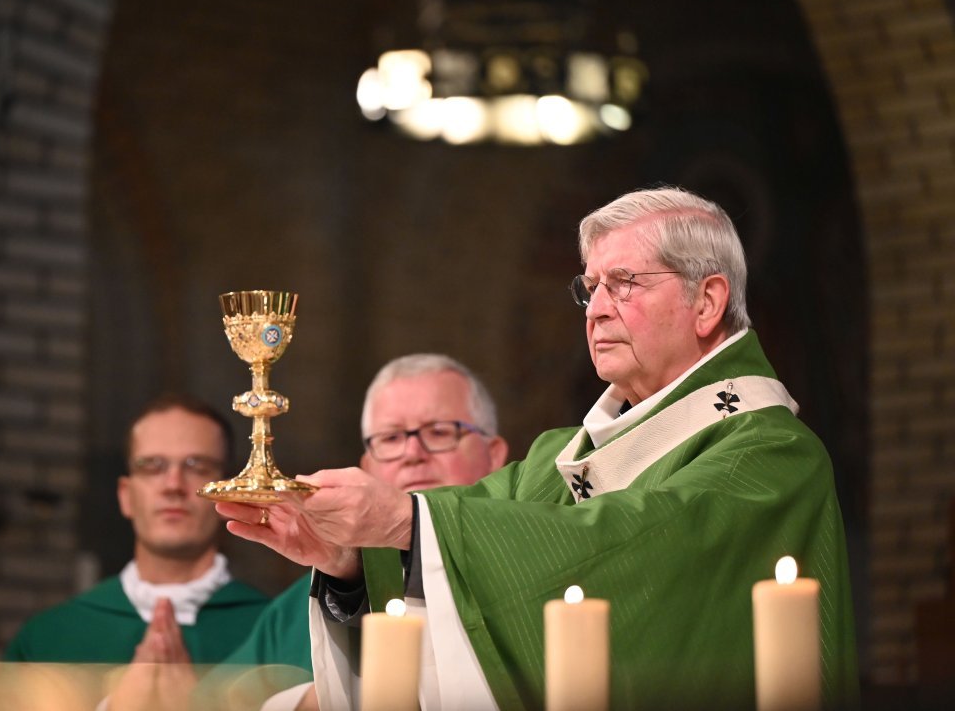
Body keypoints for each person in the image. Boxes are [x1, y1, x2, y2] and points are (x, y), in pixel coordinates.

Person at [219, 187, 859, 710]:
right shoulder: (565, 456)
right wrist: (351, 559)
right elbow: (471, 525)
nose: (597, 310)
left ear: (708, 301)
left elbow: (642, 541)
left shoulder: (771, 454)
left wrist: (399, 520)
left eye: (625, 283)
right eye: (590, 288)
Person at [211, 353, 509, 708]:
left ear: (494, 455)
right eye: (391, 438)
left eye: (440, 432)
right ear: (367, 467)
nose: (412, 453)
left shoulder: (530, 568)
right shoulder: (304, 601)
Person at [4, 393, 268, 665]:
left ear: (231, 494)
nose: (173, 485)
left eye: (196, 466)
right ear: (125, 496)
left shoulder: (275, 632)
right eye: (152, 466)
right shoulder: (48, 638)